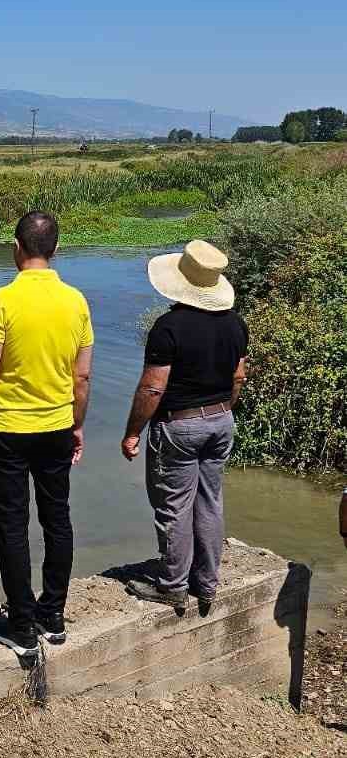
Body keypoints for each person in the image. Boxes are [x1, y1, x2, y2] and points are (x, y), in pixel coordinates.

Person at [0, 210, 94, 659]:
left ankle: (21, 625)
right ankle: (53, 616)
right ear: (55, 249)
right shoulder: (76, 301)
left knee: (13, 525)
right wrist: (77, 425)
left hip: (9, 430)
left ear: (16, 247)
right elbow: (82, 378)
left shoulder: (2, 299)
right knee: (57, 518)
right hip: (57, 426)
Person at [121, 240, 248, 615]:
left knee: (174, 507)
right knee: (210, 501)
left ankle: (173, 586)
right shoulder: (236, 324)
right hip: (222, 420)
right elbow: (238, 377)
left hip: (179, 427)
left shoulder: (168, 327)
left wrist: (132, 432)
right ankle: (206, 584)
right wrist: (222, 410)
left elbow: (152, 387)